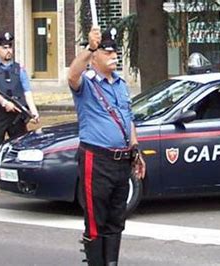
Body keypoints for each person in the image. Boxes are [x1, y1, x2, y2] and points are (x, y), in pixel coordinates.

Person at [68, 26, 146, 266]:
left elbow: (127, 118)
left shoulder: (121, 85)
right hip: (97, 160)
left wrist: (135, 148)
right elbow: (72, 75)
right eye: (108, 52)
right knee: (95, 219)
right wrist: (89, 47)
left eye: (115, 52)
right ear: (95, 57)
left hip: (122, 161)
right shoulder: (87, 84)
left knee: (116, 218)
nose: (114, 56)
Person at [0, 32, 40, 201]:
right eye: (4, 47)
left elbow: (27, 92)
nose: (8, 50)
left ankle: (22, 185)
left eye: (10, 47)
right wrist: (3, 102)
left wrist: (33, 111)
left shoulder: (19, 68)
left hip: (17, 116)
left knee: (21, 149)